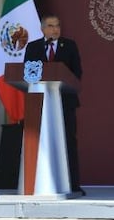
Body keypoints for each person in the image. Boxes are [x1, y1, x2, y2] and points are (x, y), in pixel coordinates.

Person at [23, 15, 84, 195]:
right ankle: (34, 185)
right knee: (38, 141)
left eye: (57, 25)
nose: (55, 29)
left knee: (68, 142)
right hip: (39, 103)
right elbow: (28, 73)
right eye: (50, 26)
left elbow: (77, 73)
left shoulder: (69, 46)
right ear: (42, 29)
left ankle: (72, 185)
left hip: (64, 102)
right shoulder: (34, 47)